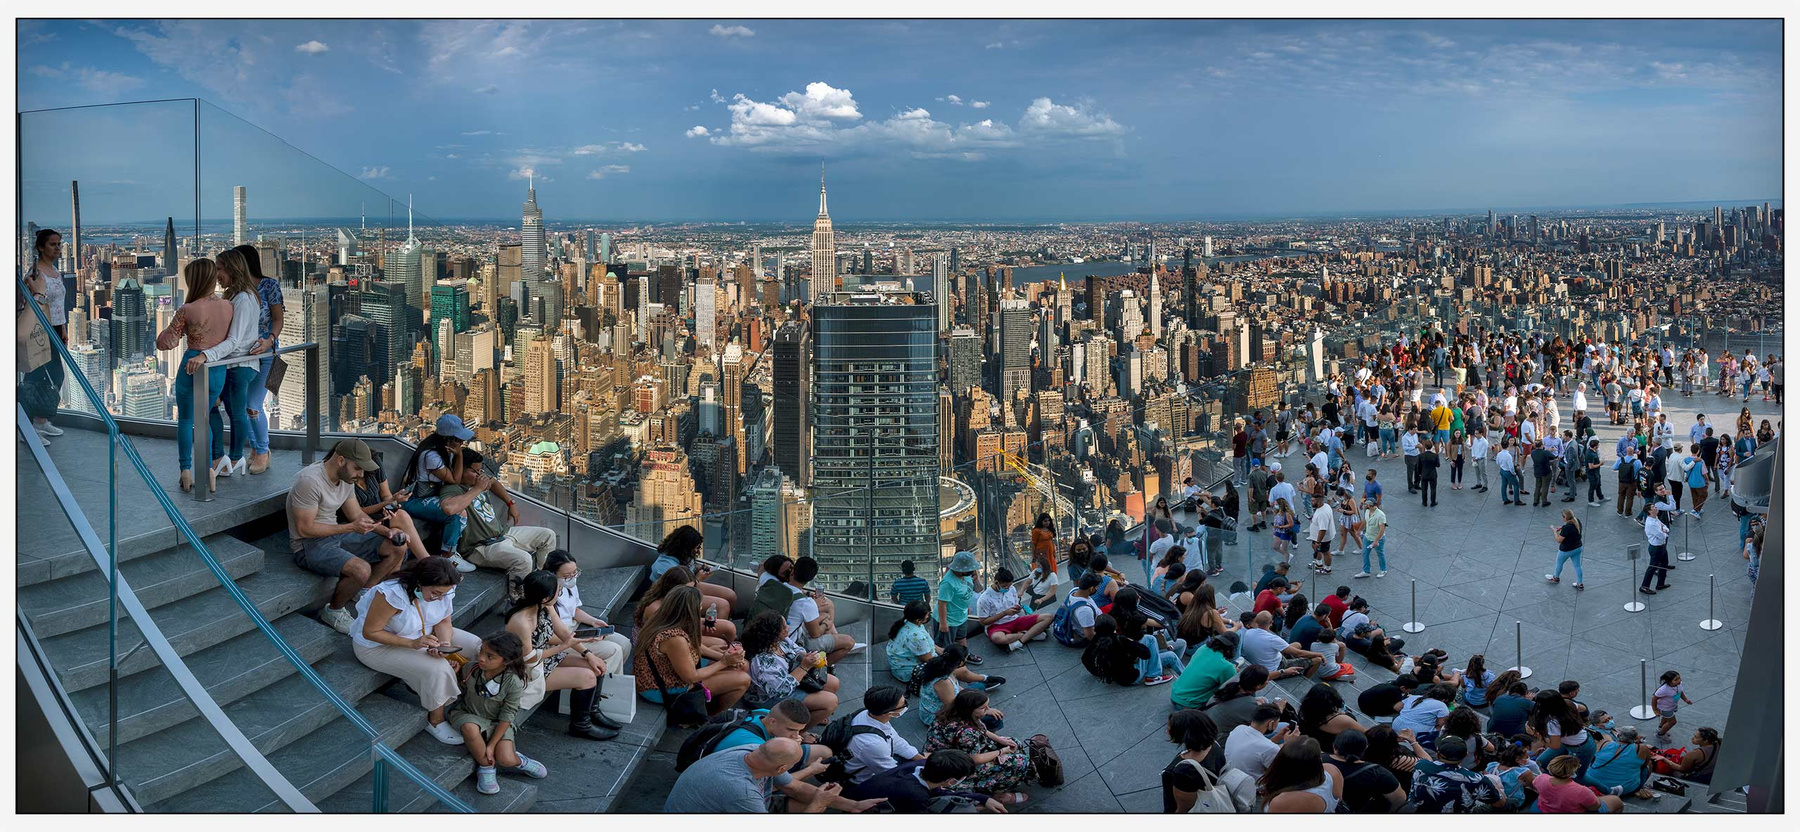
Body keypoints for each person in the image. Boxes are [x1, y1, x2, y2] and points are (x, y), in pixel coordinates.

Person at [350, 557, 480, 745]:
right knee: (437, 668)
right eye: (435, 593)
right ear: (420, 583)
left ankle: (477, 695)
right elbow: (370, 632)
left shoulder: (444, 590)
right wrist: (412, 644)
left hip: (422, 633)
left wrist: (444, 644)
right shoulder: (391, 595)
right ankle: (435, 720)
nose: (440, 598)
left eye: (443, 594)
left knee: (476, 646)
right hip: (378, 646)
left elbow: (444, 621)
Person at [287, 439, 413, 633]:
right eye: (358, 468)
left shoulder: (346, 480)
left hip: (335, 534)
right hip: (308, 545)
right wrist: (350, 528)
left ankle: (363, 591)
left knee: (397, 546)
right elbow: (305, 529)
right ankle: (333, 611)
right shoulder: (309, 481)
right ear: (341, 461)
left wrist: (388, 532)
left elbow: (356, 514)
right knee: (361, 570)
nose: (361, 475)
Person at [503, 571, 620, 740]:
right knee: (587, 677)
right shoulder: (521, 621)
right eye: (558, 590)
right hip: (527, 671)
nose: (560, 592)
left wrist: (588, 653)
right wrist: (564, 647)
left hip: (544, 659)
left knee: (596, 665)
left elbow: (564, 633)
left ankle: (592, 711)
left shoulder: (545, 606)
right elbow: (528, 658)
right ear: (545, 597)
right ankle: (581, 726)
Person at [154, 259, 234, 491]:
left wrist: (175, 327)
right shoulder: (228, 306)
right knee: (204, 419)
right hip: (217, 367)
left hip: (192, 365)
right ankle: (208, 471)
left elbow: (165, 343)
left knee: (186, 420)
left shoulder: (187, 309)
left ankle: (186, 471)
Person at [440, 448, 557, 595]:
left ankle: (543, 582)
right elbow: (449, 508)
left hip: (502, 533)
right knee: (524, 560)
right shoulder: (452, 489)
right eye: (475, 471)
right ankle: (518, 599)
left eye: (480, 470)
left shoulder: (478, 480)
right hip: (481, 546)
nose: (479, 475)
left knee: (548, 535)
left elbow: (494, 482)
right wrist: (477, 489)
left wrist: (511, 503)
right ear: (460, 469)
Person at [448, 631, 549, 794]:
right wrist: (455, 674)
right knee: (469, 728)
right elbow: (461, 690)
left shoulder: (513, 682)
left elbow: (508, 715)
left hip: (498, 722)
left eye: (490, 656)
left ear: (506, 661)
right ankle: (486, 767)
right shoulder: (470, 669)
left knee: (506, 759)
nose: (481, 658)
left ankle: (520, 760)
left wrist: (492, 745)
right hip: (469, 713)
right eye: (481, 651)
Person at [632, 585, 752, 713]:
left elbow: (694, 646)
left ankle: (705, 704)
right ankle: (708, 716)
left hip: (667, 672)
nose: (701, 609)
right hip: (658, 687)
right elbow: (691, 677)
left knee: (743, 665)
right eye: (699, 606)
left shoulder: (665, 619)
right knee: (743, 680)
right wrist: (724, 662)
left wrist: (723, 657)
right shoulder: (674, 638)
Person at [204, 249, 266, 482]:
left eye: (220, 268)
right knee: (221, 409)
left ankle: (233, 457)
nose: (217, 274)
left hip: (238, 365)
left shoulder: (244, 299)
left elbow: (235, 340)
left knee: (234, 412)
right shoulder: (237, 296)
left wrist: (207, 355)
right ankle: (224, 458)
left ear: (232, 269)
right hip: (232, 364)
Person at [663, 738, 837, 813]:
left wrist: (850, 805)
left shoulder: (754, 750)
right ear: (782, 768)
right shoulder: (743, 793)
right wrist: (818, 804)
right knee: (816, 807)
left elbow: (794, 786)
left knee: (808, 803)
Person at [228, 244, 284, 475]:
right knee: (243, 405)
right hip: (243, 356)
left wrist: (270, 340)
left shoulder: (269, 285)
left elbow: (278, 319)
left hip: (267, 354)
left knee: (253, 404)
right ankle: (254, 449)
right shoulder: (235, 290)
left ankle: (263, 451)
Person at [924, 689, 1032, 805]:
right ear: (970, 709)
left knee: (1014, 743)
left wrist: (1000, 740)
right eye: (983, 708)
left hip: (958, 751)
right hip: (952, 766)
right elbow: (975, 759)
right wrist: (1001, 751)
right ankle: (994, 792)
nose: (987, 709)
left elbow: (980, 729)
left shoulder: (951, 713)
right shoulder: (966, 733)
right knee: (1019, 761)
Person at [398, 414, 478, 569]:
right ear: (448, 438)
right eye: (458, 439)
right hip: (413, 499)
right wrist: (459, 454)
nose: (461, 442)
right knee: (456, 513)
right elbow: (454, 479)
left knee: (460, 505)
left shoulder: (442, 450)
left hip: (427, 496)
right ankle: (448, 555)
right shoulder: (431, 455)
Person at [741, 611, 839, 727]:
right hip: (770, 697)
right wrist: (805, 666)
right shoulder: (763, 662)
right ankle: (799, 730)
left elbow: (797, 649)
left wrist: (811, 657)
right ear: (774, 633)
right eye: (784, 626)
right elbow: (781, 690)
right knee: (831, 702)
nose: (788, 627)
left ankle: (814, 713)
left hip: (790, 677)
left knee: (833, 683)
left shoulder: (780, 640)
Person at [21, 229, 68, 442]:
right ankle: (27, 428)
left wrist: (63, 328)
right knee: (35, 378)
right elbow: (29, 304)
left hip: (55, 329)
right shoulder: (35, 274)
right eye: (52, 244)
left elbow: (58, 304)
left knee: (55, 376)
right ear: (41, 247)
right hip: (39, 331)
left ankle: (40, 421)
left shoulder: (55, 271)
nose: (57, 248)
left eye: (59, 244)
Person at [855, 750, 1002, 813]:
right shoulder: (917, 796)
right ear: (951, 782)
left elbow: (938, 791)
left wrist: (982, 798)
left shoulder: (919, 766)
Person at [843, 686, 928, 789]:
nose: (906, 704)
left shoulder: (869, 714)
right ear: (890, 713)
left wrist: (920, 759)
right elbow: (890, 772)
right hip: (864, 780)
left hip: (881, 760)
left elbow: (895, 740)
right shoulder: (872, 744)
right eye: (904, 704)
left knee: (928, 758)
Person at [651, 525, 740, 614]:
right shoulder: (665, 566)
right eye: (696, 548)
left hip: (690, 585)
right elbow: (680, 592)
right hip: (673, 598)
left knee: (730, 595)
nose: (697, 551)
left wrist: (698, 568)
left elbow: (687, 568)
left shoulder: (681, 556)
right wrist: (698, 579)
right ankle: (718, 622)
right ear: (686, 548)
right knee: (722, 606)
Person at [1409, 735, 1507, 812]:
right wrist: (1492, 782)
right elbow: (1500, 803)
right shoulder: (1476, 779)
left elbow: (1428, 761)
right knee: (1511, 804)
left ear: (1437, 755)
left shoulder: (1421, 766)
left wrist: (1413, 742)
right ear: (1466, 755)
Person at [910, 645, 1003, 724]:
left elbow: (956, 688)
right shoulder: (944, 682)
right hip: (937, 716)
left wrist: (974, 697)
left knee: (978, 687)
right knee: (994, 719)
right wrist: (984, 710)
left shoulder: (941, 667)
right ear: (961, 662)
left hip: (949, 701)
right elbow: (952, 707)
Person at [1261, 737, 1340, 812]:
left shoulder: (1283, 801)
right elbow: (1339, 799)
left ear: (1280, 762)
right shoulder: (1333, 771)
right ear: (1318, 760)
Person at [1241, 610, 1321, 680]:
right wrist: (1319, 654)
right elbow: (1298, 653)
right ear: (1271, 622)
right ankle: (1304, 679)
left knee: (1297, 645)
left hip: (1264, 661)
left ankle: (1298, 664)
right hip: (1275, 669)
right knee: (1318, 659)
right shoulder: (1273, 639)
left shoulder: (1249, 632)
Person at [1581, 725, 1655, 799]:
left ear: (1618, 735)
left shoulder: (1603, 744)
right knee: (1648, 765)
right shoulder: (1641, 748)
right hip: (1624, 790)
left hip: (1592, 784)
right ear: (1635, 738)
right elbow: (1644, 765)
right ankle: (1639, 787)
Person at [935, 551, 984, 663]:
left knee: (961, 638)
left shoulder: (966, 576)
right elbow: (942, 603)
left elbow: (975, 590)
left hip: (961, 614)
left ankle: (964, 655)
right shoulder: (948, 582)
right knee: (945, 645)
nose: (972, 571)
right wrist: (943, 623)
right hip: (949, 618)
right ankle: (947, 663)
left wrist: (976, 578)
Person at [1534, 754, 1624, 814]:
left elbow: (1535, 786)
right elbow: (1594, 807)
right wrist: (1594, 796)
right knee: (1616, 800)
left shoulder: (1541, 778)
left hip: (1545, 808)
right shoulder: (1581, 791)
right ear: (1571, 772)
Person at [1170, 632, 1239, 709]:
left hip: (1175, 695)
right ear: (1231, 650)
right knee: (1229, 688)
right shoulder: (1227, 667)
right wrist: (1234, 672)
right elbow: (1231, 688)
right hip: (1188, 704)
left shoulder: (1203, 648)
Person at [1225, 703, 1293, 779]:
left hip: (1229, 776)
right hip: (1251, 784)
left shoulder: (1239, 728)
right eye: (1278, 721)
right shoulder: (1270, 748)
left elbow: (1259, 748)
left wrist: (1278, 737)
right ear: (1271, 723)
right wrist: (1288, 744)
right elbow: (1281, 771)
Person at [886, 600, 939, 681]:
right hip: (907, 672)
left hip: (899, 664)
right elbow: (928, 659)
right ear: (918, 619)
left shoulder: (907, 622)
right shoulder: (916, 636)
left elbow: (929, 645)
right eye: (927, 615)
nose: (929, 616)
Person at [1297, 682, 1361, 748]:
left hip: (1311, 745)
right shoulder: (1342, 720)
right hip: (1332, 749)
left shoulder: (1302, 712)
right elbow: (1365, 733)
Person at [1390, 683, 1454, 748]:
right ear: (1446, 699)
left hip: (1396, 726)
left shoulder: (1414, 697)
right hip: (1414, 733)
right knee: (1442, 728)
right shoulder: (1441, 705)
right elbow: (1441, 724)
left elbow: (1396, 707)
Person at [1544, 509, 1585, 591]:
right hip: (1578, 548)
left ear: (1564, 517)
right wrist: (1562, 527)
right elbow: (1571, 529)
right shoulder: (1577, 521)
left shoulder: (1566, 528)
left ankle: (1556, 578)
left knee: (1559, 563)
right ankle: (1580, 583)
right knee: (1577, 566)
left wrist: (1554, 531)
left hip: (1566, 550)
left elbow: (1559, 540)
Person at [1653, 670, 1694, 741]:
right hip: (1665, 708)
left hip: (1672, 705)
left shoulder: (1678, 684)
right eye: (1676, 679)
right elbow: (1654, 699)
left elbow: (1680, 692)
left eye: (1679, 678)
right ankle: (1660, 734)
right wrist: (1655, 710)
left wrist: (1686, 700)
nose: (1679, 680)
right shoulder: (1663, 690)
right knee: (1672, 722)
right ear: (1669, 681)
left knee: (1666, 718)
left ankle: (1661, 728)